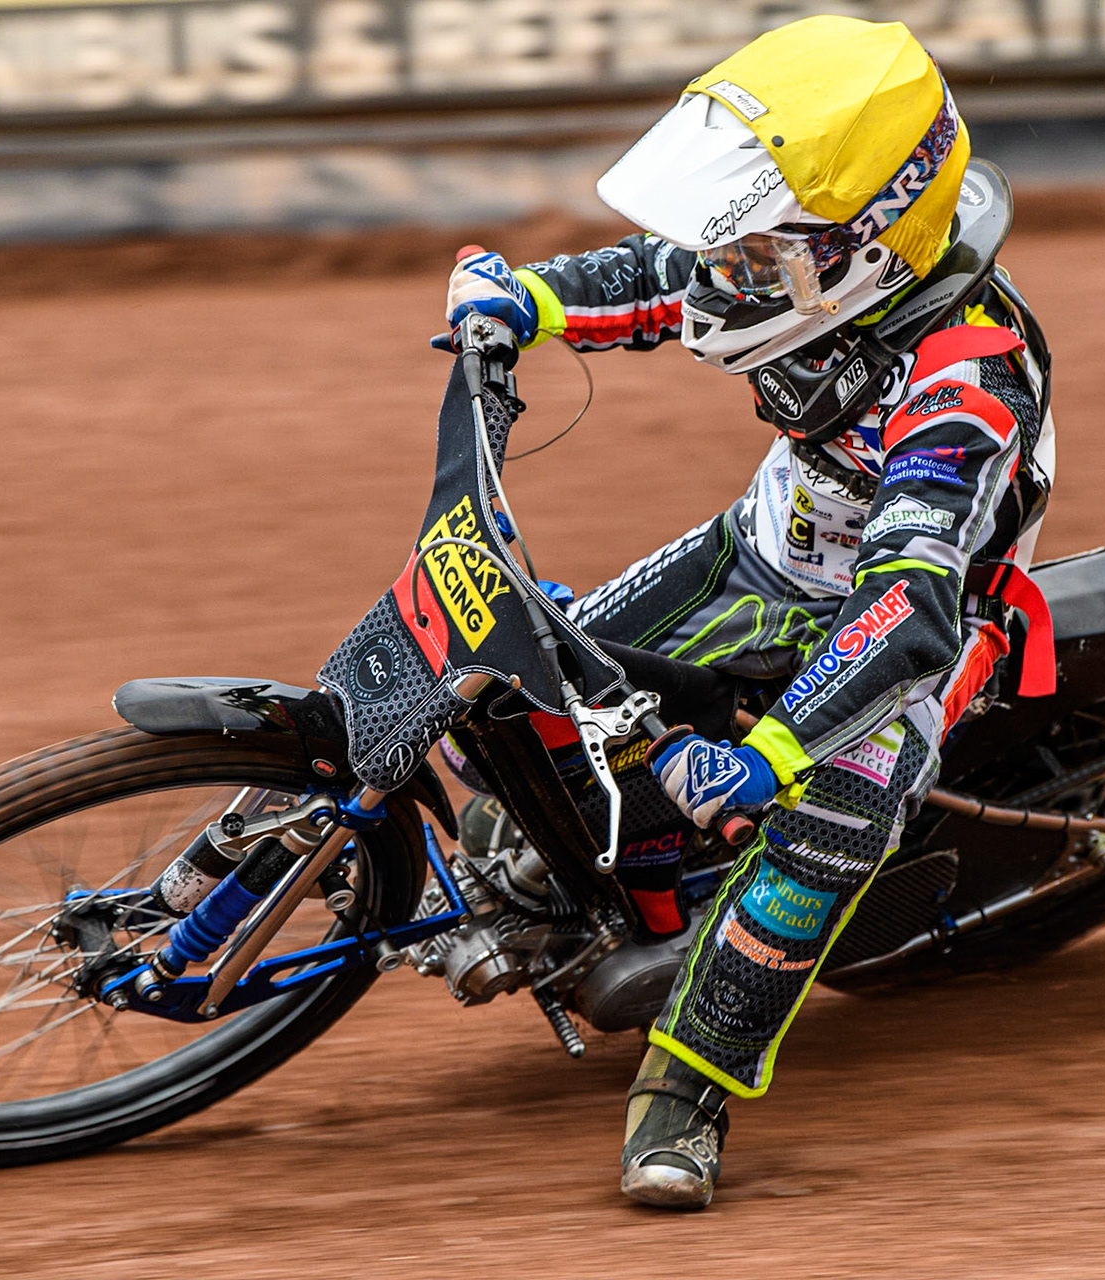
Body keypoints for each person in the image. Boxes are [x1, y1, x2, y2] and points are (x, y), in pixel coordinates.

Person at [439, 17, 1056, 1210]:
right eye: (742, 253)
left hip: (912, 628)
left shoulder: (965, 378)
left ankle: (688, 1086)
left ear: (865, 252)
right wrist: (520, 299)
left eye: (758, 261)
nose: (728, 278)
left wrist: (767, 755)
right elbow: (666, 278)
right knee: (525, 672)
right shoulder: (803, 270)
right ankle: (613, 868)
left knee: (826, 820)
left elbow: (910, 605)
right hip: (761, 549)